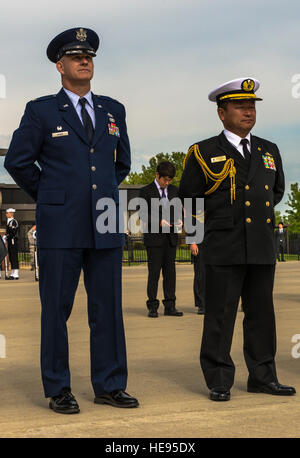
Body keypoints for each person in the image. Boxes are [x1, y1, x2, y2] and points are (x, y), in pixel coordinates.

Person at [5, 27, 138, 413]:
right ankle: (58, 387)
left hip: (105, 223)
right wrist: (52, 196)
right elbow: (17, 161)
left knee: (108, 310)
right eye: (77, 56)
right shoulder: (41, 110)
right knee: (56, 311)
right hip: (61, 226)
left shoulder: (113, 109)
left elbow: (121, 163)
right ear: (60, 66)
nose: (85, 61)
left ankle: (111, 384)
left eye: (90, 56)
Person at [179, 77, 296, 401]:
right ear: (221, 112)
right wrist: (198, 240)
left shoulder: (268, 150)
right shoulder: (203, 151)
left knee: (261, 315)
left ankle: (263, 375)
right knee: (220, 315)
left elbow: (275, 191)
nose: (248, 111)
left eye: (251, 106)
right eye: (240, 106)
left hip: (260, 245)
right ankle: (218, 378)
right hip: (221, 247)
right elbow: (189, 198)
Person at [139, 161, 183, 317]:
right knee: (154, 273)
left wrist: (179, 220)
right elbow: (142, 214)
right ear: (157, 175)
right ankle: (152, 306)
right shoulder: (145, 191)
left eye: (170, 180)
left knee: (170, 274)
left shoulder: (174, 191)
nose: (167, 183)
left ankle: (170, 305)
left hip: (170, 238)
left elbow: (178, 210)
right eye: (165, 179)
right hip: (154, 240)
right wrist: (158, 222)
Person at [190, 242, 205, 314]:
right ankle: (201, 304)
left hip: (216, 240)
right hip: (200, 243)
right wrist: (192, 243)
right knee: (200, 276)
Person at [5, 208, 19, 280]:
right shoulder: (9, 221)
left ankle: (16, 273)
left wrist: (6, 236)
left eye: (7, 213)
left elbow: (13, 232)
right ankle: (13, 272)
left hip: (13, 240)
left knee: (14, 256)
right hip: (10, 240)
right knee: (11, 256)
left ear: (11, 213)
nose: (6, 214)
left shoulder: (13, 221)